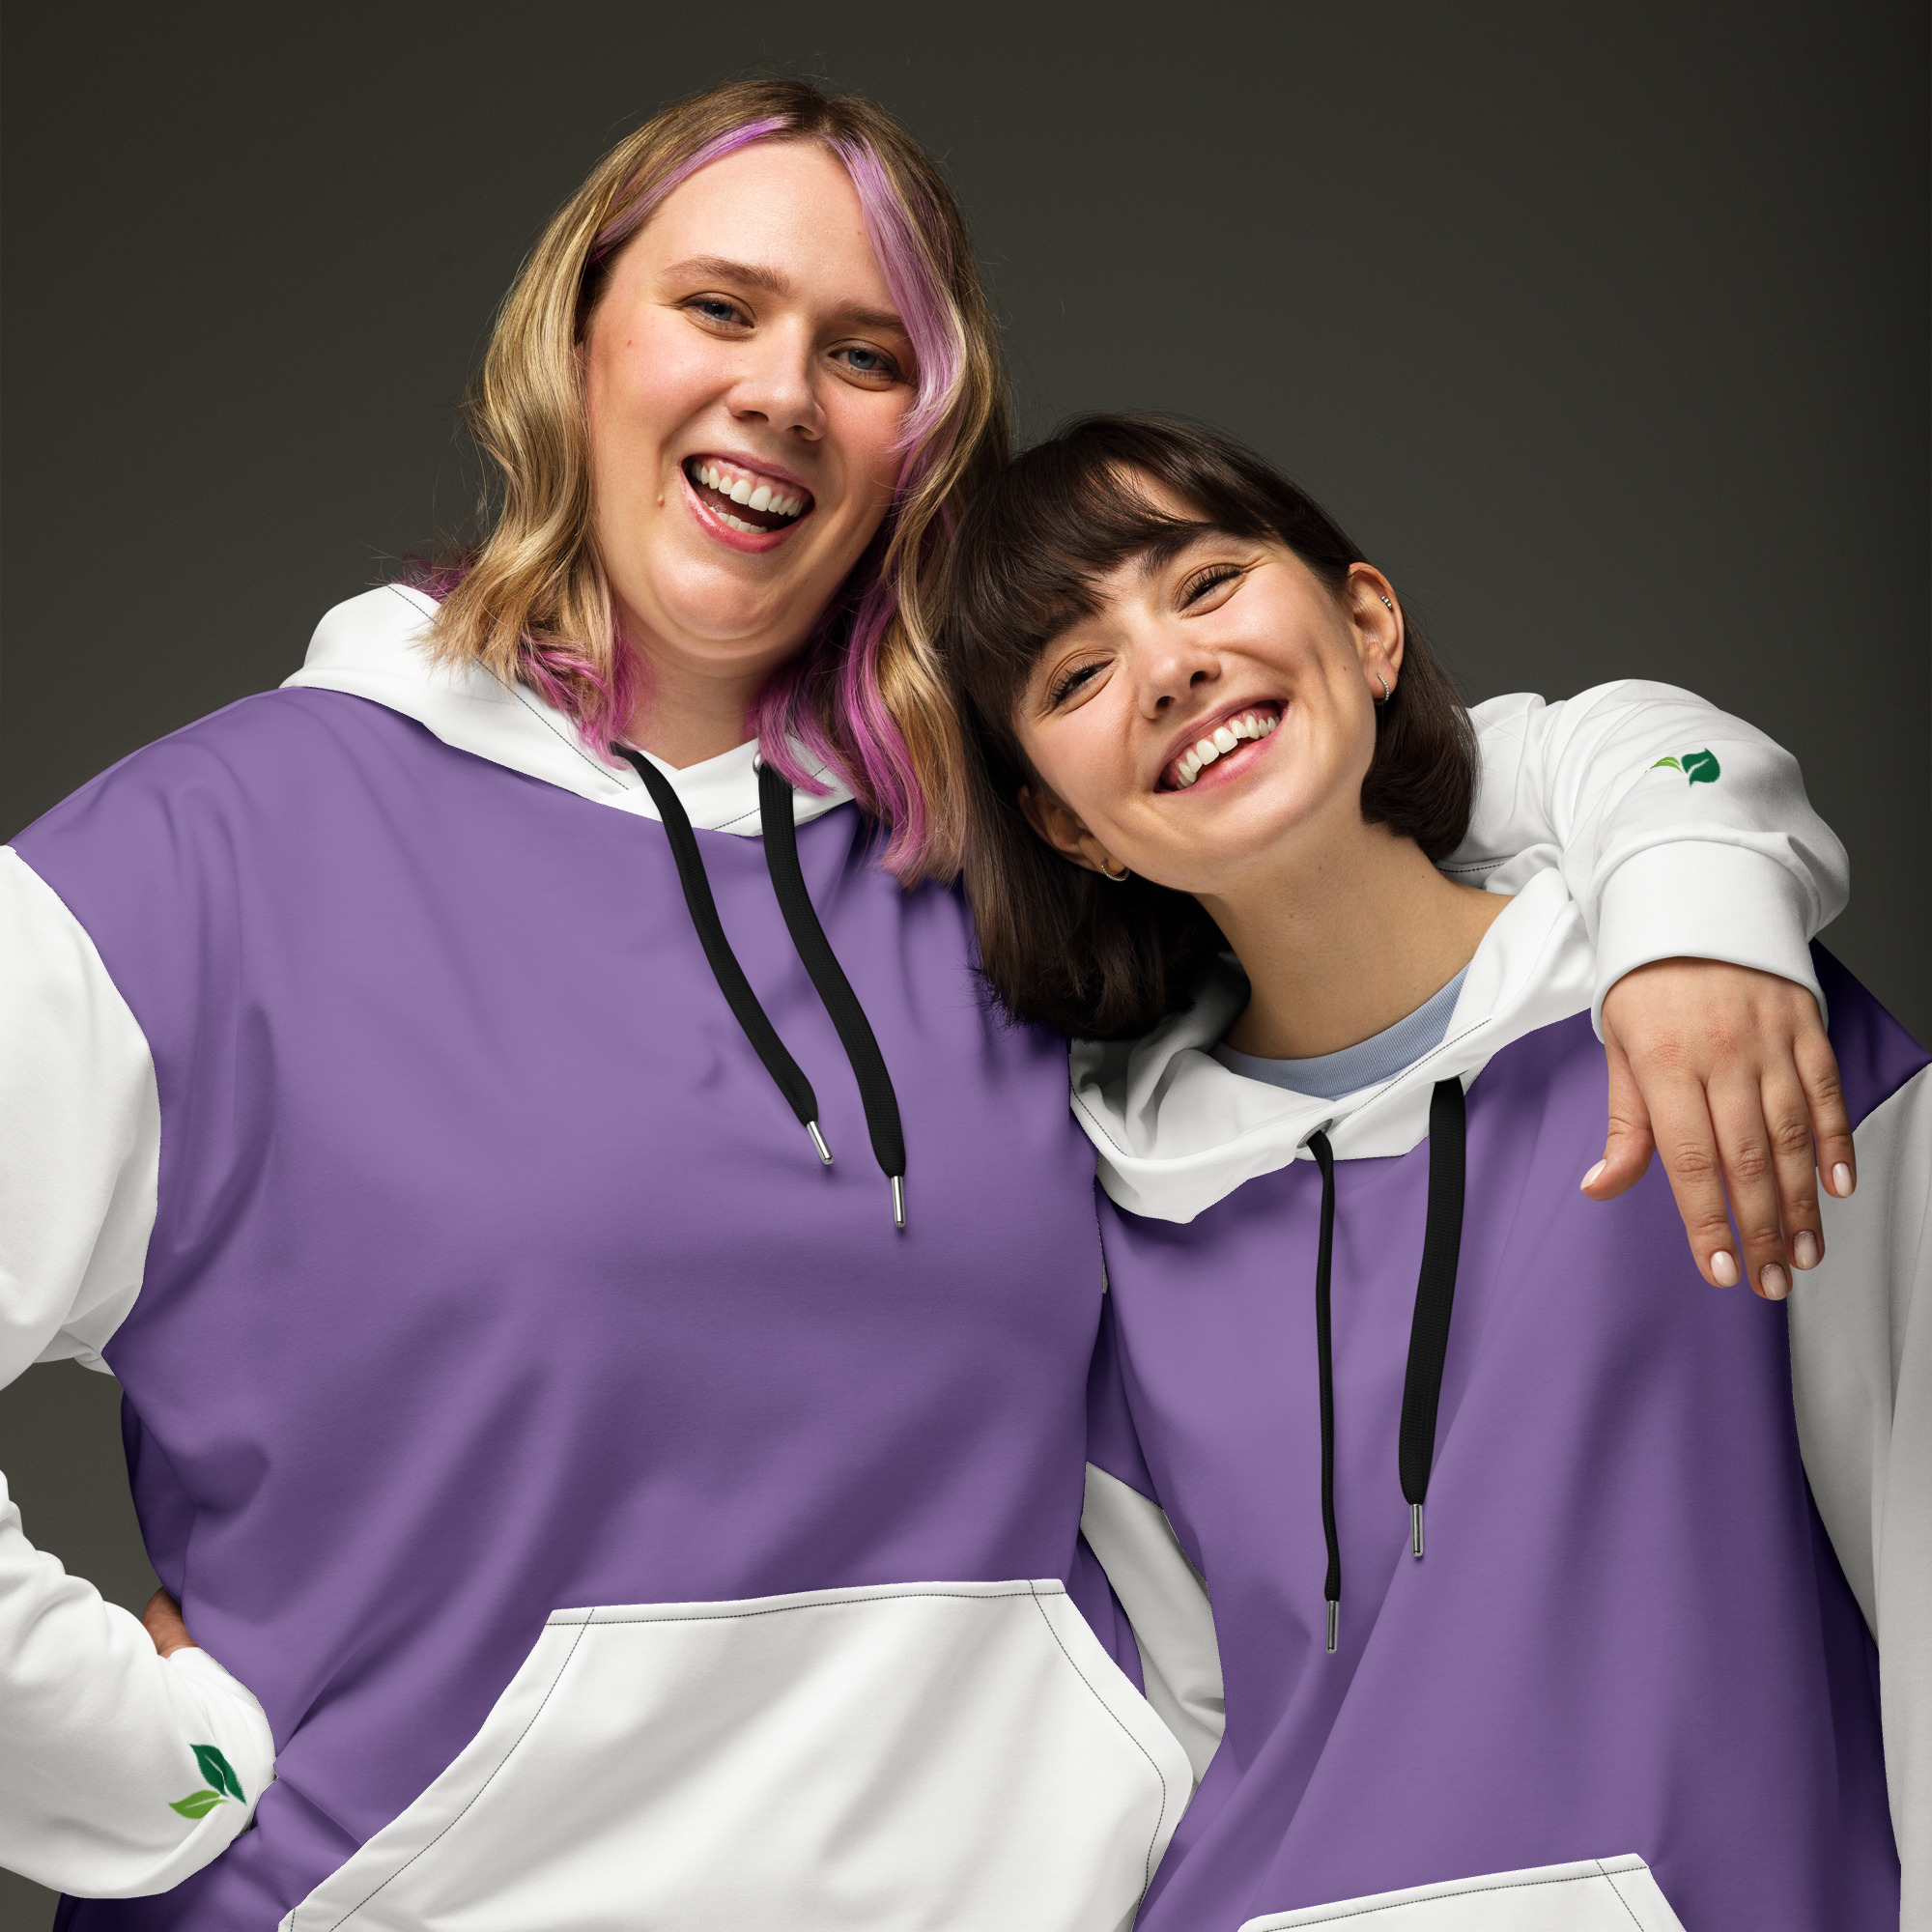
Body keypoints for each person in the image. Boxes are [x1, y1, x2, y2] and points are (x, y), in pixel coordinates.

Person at [0, 83, 1865, 1931]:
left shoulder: (995, 842)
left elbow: (1385, 777)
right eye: (718, 308)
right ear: (576, 341)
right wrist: (146, 1784)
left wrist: (1695, 896)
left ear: (924, 440)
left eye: (865, 353)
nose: (782, 393)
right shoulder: (212, 854)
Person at [941, 412, 1925, 1930]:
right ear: (1073, 829)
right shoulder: (1109, 1228)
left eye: (1205, 584)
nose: (1169, 668)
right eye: (1076, 676)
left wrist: (1690, 890)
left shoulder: (1714, 1012)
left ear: (1368, 625)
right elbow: (1173, 1731)